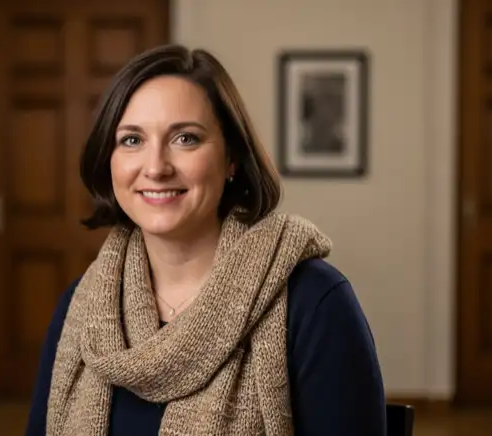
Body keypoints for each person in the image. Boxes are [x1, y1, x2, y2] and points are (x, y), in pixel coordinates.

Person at [25, 44, 386, 436]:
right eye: (132, 140)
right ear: (108, 158)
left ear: (231, 158)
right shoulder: (81, 307)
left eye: (185, 139)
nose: (156, 167)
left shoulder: (314, 303)